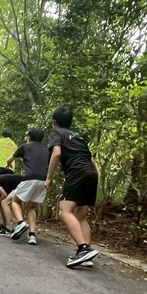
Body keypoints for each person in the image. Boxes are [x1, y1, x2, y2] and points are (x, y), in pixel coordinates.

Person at [45, 106, 99, 268]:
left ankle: (83, 249)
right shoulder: (79, 136)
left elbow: (56, 153)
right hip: (91, 173)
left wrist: (49, 178)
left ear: (54, 122)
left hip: (77, 173)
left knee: (64, 211)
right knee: (81, 216)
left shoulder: (56, 133)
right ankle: (86, 255)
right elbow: (90, 159)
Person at [6, 128, 50, 245]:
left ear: (29, 137)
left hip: (30, 177)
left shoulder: (25, 146)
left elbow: (9, 159)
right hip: (43, 180)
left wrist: (8, 165)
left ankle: (20, 223)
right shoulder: (47, 149)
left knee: (15, 201)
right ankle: (32, 235)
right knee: (31, 207)